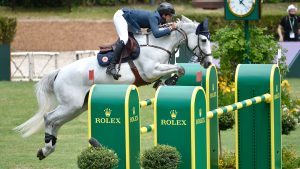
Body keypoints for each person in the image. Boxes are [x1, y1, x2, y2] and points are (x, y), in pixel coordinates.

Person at [106, 2, 177, 80]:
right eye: (170, 16)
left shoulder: (158, 18)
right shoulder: (154, 17)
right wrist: (170, 28)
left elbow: (159, 30)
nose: (171, 18)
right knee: (124, 39)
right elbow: (156, 34)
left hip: (129, 20)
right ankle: (110, 67)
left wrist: (169, 28)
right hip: (121, 16)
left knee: (135, 40)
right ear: (164, 15)